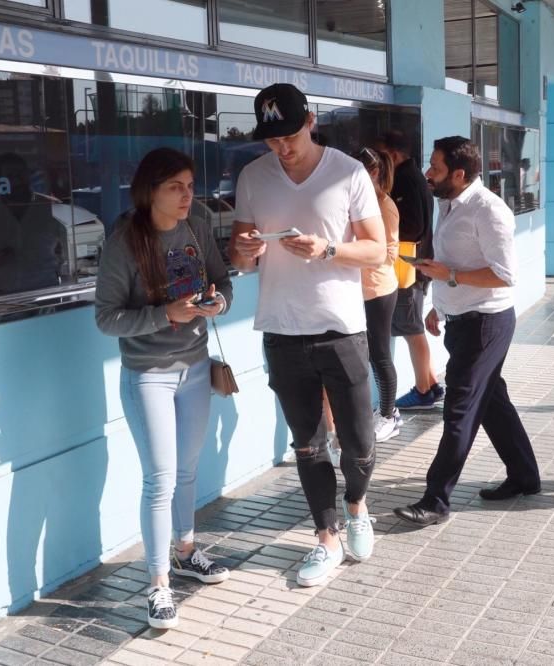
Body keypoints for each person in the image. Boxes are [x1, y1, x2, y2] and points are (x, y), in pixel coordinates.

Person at [229, 83, 386, 587]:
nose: (282, 148)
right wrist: (245, 250)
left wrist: (326, 250)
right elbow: (239, 257)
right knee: (308, 444)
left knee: (359, 440)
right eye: (272, 140)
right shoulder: (253, 176)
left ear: (311, 120)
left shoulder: (348, 172)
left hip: (340, 328)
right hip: (281, 328)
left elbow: (378, 251)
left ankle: (358, 505)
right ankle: (327, 535)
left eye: (290, 135)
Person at [95, 147, 233, 630]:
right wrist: (164, 314)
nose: (186, 195)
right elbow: (106, 318)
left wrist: (218, 302)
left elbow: (221, 280)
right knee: (160, 479)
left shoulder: (195, 225)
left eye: (190, 185)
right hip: (148, 373)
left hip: (195, 368)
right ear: (149, 190)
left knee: (189, 468)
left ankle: (186, 551)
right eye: (175, 186)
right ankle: (157, 584)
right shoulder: (124, 242)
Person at [393, 136, 540, 527]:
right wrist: (437, 306)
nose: (427, 173)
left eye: (435, 168)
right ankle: (525, 477)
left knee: (460, 409)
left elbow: (505, 275)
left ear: (459, 174)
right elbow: (448, 263)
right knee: (493, 403)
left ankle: (435, 500)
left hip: (486, 324)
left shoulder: (488, 211)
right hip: (461, 320)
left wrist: (451, 277)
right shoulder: (449, 202)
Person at [324, 147, 402, 451]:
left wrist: (357, 253)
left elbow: (389, 252)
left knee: (380, 355)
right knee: (361, 356)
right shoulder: (354, 201)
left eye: (360, 171)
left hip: (378, 290)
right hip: (355, 291)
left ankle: (388, 414)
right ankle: (376, 412)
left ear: (374, 173)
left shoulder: (384, 205)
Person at [378, 130, 443, 410]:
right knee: (412, 325)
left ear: (393, 155)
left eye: (381, 158)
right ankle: (430, 382)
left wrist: (381, 234)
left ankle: (423, 390)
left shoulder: (406, 180)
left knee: (412, 328)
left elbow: (413, 227)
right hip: (416, 266)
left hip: (408, 269)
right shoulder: (412, 178)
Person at [0, 153, 69, 298]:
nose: (18, 180)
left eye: (21, 174)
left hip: (46, 292)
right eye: (10, 175)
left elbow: (68, 252)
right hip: (1, 295)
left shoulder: (51, 207)